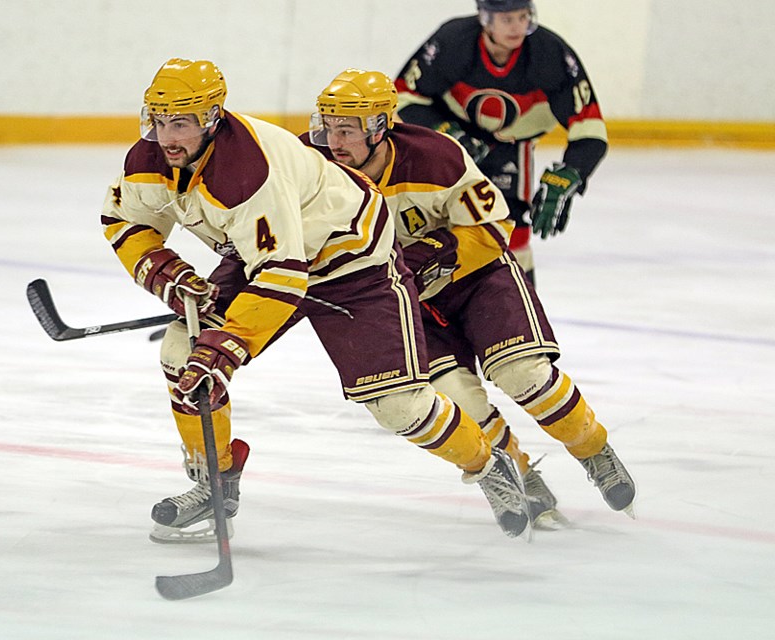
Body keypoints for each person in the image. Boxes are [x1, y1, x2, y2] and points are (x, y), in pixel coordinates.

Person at [101, 58, 532, 543]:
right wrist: (167, 273)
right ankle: (214, 482)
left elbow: (282, 278)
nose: (166, 137)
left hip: (353, 264)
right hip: (269, 257)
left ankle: (487, 463)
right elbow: (125, 222)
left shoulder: (247, 172)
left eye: (179, 122)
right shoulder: (149, 160)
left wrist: (223, 348)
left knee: (397, 404)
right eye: (158, 122)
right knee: (182, 356)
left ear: (212, 118)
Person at [302, 68, 635, 525]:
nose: (333, 141)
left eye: (347, 130)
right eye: (327, 127)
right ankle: (517, 474)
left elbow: (495, 225)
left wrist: (434, 252)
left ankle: (592, 449)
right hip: (406, 302)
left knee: (524, 374)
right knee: (457, 400)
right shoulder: (310, 167)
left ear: (380, 128)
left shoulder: (437, 157)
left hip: (476, 280)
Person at [394, 0, 607, 285]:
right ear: (485, 18)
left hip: (512, 146)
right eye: (507, 19)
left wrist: (573, 172)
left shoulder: (549, 52)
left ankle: (521, 310)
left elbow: (590, 127)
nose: (517, 27)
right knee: (435, 225)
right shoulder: (453, 41)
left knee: (513, 228)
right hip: (451, 147)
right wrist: (445, 132)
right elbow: (405, 96)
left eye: (523, 17)